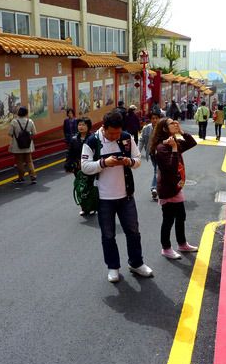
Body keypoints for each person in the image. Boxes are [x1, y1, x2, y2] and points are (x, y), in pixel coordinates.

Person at [81, 111, 153, 283]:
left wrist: (129, 162)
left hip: (126, 195)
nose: (115, 136)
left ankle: (136, 263)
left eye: (118, 133)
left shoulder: (126, 138)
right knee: (108, 235)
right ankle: (113, 267)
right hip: (103, 197)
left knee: (133, 232)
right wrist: (103, 163)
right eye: (112, 133)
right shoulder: (92, 141)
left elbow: (137, 159)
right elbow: (84, 166)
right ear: (103, 128)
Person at [150, 118, 198, 259]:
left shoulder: (173, 142)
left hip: (175, 187)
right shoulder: (162, 147)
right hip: (167, 188)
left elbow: (192, 142)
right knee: (168, 219)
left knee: (181, 216)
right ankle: (166, 248)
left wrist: (181, 132)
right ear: (165, 129)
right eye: (172, 123)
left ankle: (182, 244)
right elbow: (171, 168)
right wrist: (175, 149)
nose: (175, 124)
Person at [64, 117, 93, 216]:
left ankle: (92, 206)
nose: (81, 127)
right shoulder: (74, 139)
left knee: (89, 186)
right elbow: (70, 153)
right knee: (80, 187)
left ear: (88, 126)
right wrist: (69, 165)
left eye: (83, 125)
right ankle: (84, 207)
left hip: (90, 166)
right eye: (79, 125)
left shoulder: (92, 138)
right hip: (78, 168)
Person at [8, 106, 37, 184]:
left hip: (17, 145)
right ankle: (33, 176)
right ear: (26, 113)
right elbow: (34, 133)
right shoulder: (30, 121)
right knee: (29, 161)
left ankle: (21, 178)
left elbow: (10, 133)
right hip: (28, 145)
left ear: (18, 113)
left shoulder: (14, 122)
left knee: (19, 162)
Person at [138, 110, 161, 200]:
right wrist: (138, 152)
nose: (155, 120)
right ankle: (158, 188)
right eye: (153, 118)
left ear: (159, 119)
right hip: (152, 153)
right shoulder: (146, 128)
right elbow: (141, 140)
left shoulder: (163, 128)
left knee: (157, 169)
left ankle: (154, 188)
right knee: (157, 170)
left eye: (156, 118)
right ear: (150, 120)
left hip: (161, 154)